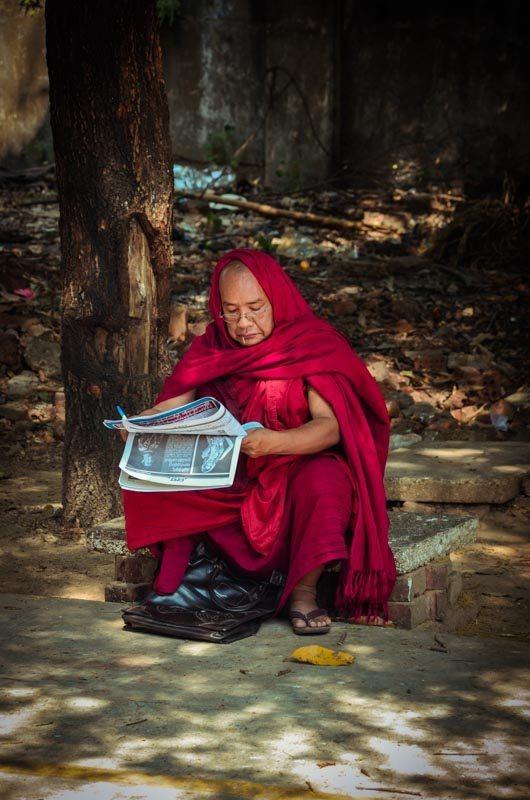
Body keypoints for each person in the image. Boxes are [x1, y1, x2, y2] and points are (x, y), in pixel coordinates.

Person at [122, 248, 396, 634]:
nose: (244, 322)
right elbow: (169, 409)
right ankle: (193, 571)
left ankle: (304, 592)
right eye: (231, 311)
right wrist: (141, 425)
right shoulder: (211, 346)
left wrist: (274, 443)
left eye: (256, 308)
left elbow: (330, 428)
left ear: (277, 299)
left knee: (327, 480)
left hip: (290, 468)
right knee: (145, 474)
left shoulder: (310, 343)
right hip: (229, 475)